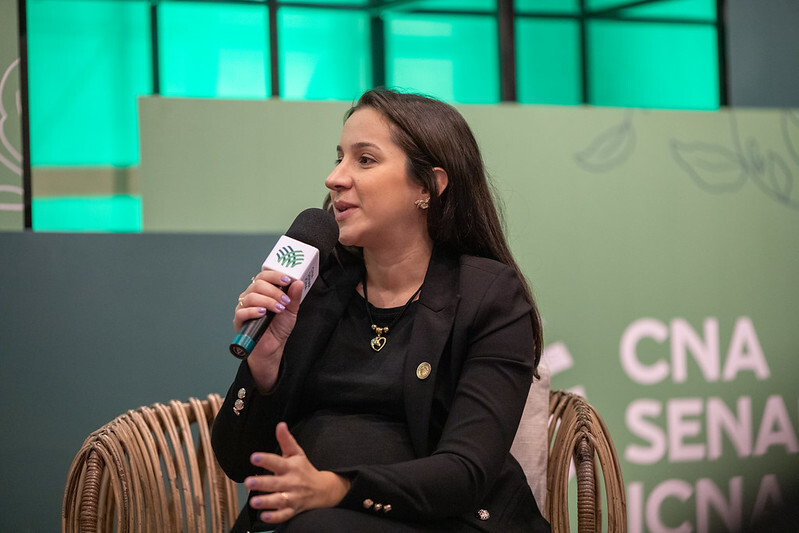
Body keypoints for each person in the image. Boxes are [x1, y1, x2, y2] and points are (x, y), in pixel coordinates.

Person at [211, 88, 550, 532]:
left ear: (428, 186)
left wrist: (336, 488)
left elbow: (466, 471)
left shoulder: (488, 296)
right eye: (338, 158)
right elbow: (239, 461)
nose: (335, 178)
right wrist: (263, 370)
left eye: (364, 160)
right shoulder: (314, 286)